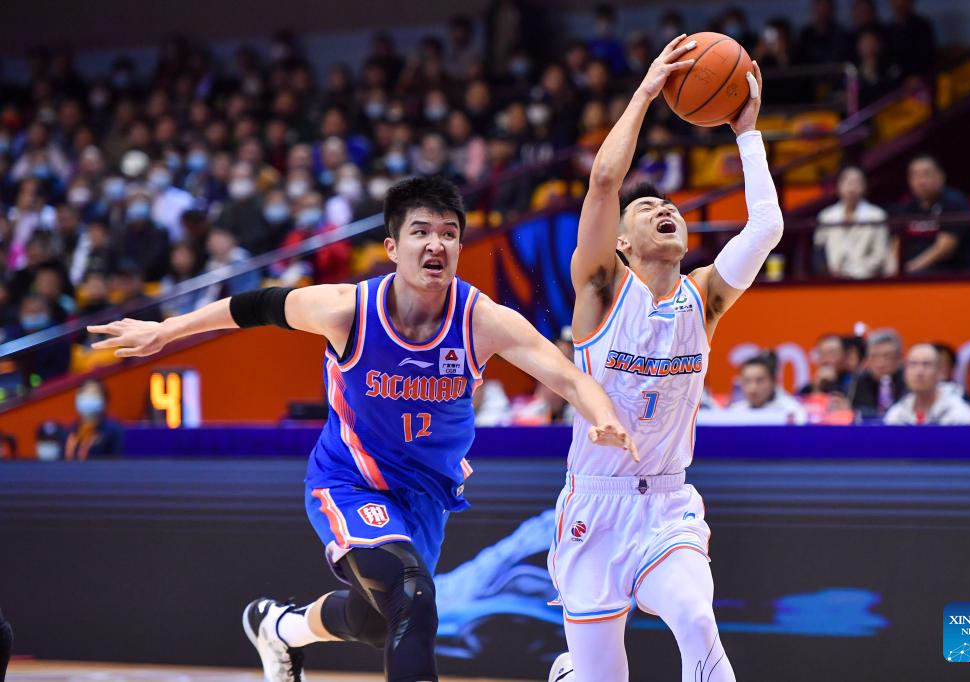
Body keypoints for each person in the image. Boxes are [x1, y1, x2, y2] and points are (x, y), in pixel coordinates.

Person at [89, 176, 636, 682]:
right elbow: (252, 306)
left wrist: (606, 417)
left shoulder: (481, 319)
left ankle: (280, 627)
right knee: (413, 597)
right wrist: (167, 330)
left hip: (425, 494)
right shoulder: (346, 309)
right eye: (421, 232)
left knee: (378, 620)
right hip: (351, 481)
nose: (437, 244)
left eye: (449, 234)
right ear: (392, 247)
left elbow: (568, 377)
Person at [548, 35, 781, 682]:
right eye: (647, 208)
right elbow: (603, 180)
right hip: (595, 508)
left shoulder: (703, 297)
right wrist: (648, 90)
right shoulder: (600, 291)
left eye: (670, 205)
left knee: (698, 622)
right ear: (621, 242)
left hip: (668, 505)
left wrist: (747, 133)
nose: (665, 208)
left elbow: (765, 227)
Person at [892, 155, 970, 274]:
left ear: (941, 176)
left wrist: (911, 268)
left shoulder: (954, 203)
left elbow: (945, 248)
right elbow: (897, 242)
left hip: (952, 273)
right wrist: (896, 268)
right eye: (915, 176)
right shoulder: (907, 207)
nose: (921, 181)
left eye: (927, 174)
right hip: (913, 272)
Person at [814, 166, 891, 279]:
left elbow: (880, 254)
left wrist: (856, 272)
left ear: (864, 187)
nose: (852, 187)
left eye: (857, 182)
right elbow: (818, 250)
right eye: (847, 182)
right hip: (833, 279)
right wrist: (829, 272)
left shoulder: (877, 216)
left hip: (866, 279)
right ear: (838, 186)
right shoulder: (826, 216)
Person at [883, 344, 970, 424]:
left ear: (940, 371)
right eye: (913, 364)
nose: (919, 372)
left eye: (926, 364)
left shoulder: (958, 414)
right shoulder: (897, 415)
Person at [729, 353, 808, 423]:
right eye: (747, 381)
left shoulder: (792, 412)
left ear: (773, 381)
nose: (753, 388)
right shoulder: (734, 412)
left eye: (760, 380)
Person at [848, 328, 906, 419]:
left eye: (887, 356)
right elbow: (857, 411)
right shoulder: (860, 381)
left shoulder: (908, 380)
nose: (880, 363)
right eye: (874, 356)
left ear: (899, 358)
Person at [64, 379, 124, 459]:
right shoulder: (70, 430)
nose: (88, 398)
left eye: (94, 394)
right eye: (84, 393)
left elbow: (117, 461)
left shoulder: (113, 431)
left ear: (105, 400)